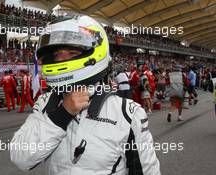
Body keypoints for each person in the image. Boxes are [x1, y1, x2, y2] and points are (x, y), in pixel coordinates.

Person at [10, 15, 160, 175]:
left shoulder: (128, 112)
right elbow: (21, 158)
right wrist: (62, 114)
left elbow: (147, 171)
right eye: (56, 55)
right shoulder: (45, 102)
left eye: (72, 53)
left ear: (96, 52)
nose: (61, 59)